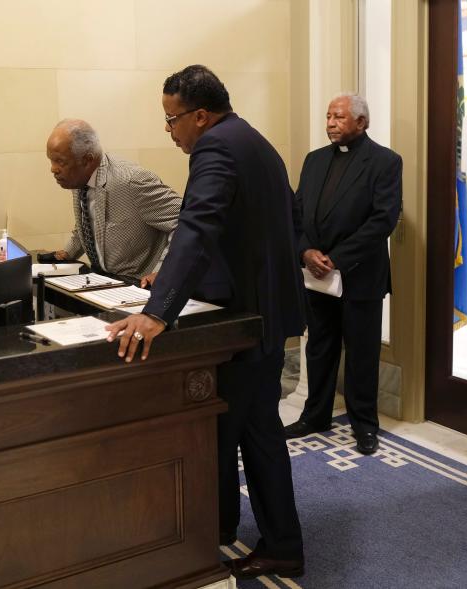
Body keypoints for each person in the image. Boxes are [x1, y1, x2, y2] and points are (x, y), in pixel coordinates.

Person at [105, 65, 308, 579]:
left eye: (171, 121)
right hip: (264, 310)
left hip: (241, 320)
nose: (170, 132)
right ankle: (238, 531)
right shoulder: (254, 141)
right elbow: (277, 220)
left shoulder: (215, 149)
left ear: (200, 115)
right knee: (254, 428)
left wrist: (156, 313)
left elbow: (196, 229)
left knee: (231, 429)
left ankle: (244, 537)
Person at [283, 93, 402, 456]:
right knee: (319, 348)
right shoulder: (315, 160)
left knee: (362, 353)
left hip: (359, 275)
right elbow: (298, 211)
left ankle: (364, 425)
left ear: (361, 123)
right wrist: (305, 251)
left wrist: (336, 258)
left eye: (339, 118)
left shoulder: (385, 161)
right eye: (328, 117)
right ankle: (315, 415)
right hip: (316, 274)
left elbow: (382, 219)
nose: (330, 124)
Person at [45, 119, 180, 286]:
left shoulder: (131, 181)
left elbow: (184, 222)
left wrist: (163, 271)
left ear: (87, 160)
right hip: (105, 280)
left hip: (139, 285)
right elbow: (88, 225)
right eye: (51, 160)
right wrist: (67, 253)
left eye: (61, 162)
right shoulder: (79, 179)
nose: (53, 169)